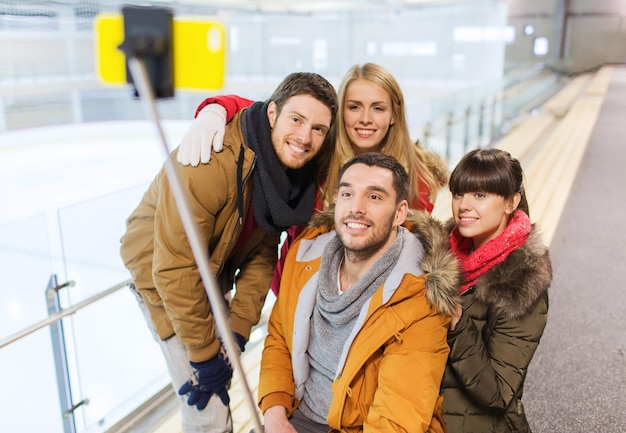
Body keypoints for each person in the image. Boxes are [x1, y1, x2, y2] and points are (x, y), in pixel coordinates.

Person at [119, 72, 338, 433]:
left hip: (211, 270)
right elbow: (174, 269)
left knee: (220, 389)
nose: (305, 137)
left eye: (318, 129)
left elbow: (262, 255)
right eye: (297, 120)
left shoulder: (281, 175)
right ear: (272, 114)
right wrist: (205, 358)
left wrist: (235, 333)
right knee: (209, 406)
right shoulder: (210, 162)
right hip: (160, 275)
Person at [176, 63, 449, 294]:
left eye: (377, 108)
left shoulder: (417, 180)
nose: (365, 119)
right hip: (295, 294)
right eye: (354, 107)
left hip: (367, 310)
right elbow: (275, 112)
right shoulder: (316, 156)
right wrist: (218, 108)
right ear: (340, 113)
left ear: (394, 115)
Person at [258, 152, 460, 433]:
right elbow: (279, 337)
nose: (357, 208)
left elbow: (398, 415)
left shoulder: (419, 294)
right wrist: (274, 412)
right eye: (347, 194)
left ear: (399, 213)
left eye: (374, 197)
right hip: (297, 413)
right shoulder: (305, 256)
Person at [442, 148, 552, 432]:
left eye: (480, 195)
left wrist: (457, 322)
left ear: (511, 202)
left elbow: (498, 393)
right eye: (458, 194)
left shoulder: (521, 282)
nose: (464, 205)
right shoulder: (441, 256)